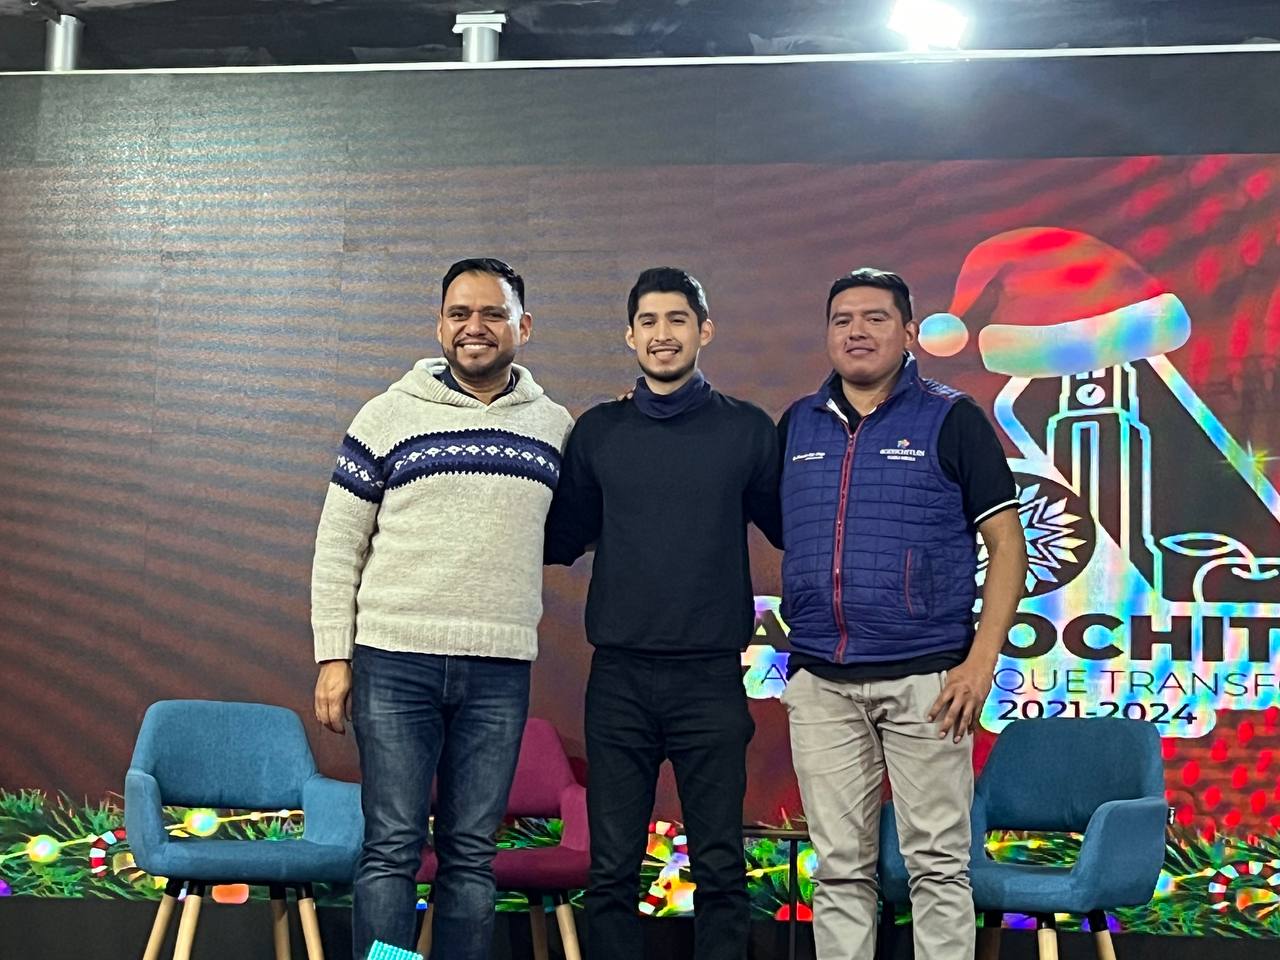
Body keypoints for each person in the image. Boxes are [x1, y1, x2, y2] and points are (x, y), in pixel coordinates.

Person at [310, 258, 573, 960]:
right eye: (460, 314)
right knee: (392, 849)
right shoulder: (386, 416)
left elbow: (574, 530)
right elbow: (338, 544)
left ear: (523, 326)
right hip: (394, 662)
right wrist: (334, 656)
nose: (474, 327)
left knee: (471, 856)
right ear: (439, 326)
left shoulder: (555, 427)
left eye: (492, 313)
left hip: (499, 670)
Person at [777, 268, 1027, 960]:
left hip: (930, 683)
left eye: (876, 318)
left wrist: (979, 665)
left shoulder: (953, 417)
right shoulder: (797, 424)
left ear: (910, 332)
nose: (857, 332)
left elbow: (1009, 546)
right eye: (842, 320)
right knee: (838, 869)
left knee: (939, 867)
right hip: (822, 683)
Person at [545, 267, 782, 960]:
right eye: (647, 321)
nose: (662, 334)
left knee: (720, 868)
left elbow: (793, 528)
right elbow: (561, 537)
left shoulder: (747, 430)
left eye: (677, 319)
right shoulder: (598, 431)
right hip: (619, 679)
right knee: (611, 871)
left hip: (711, 678)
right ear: (629, 336)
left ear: (705, 330)